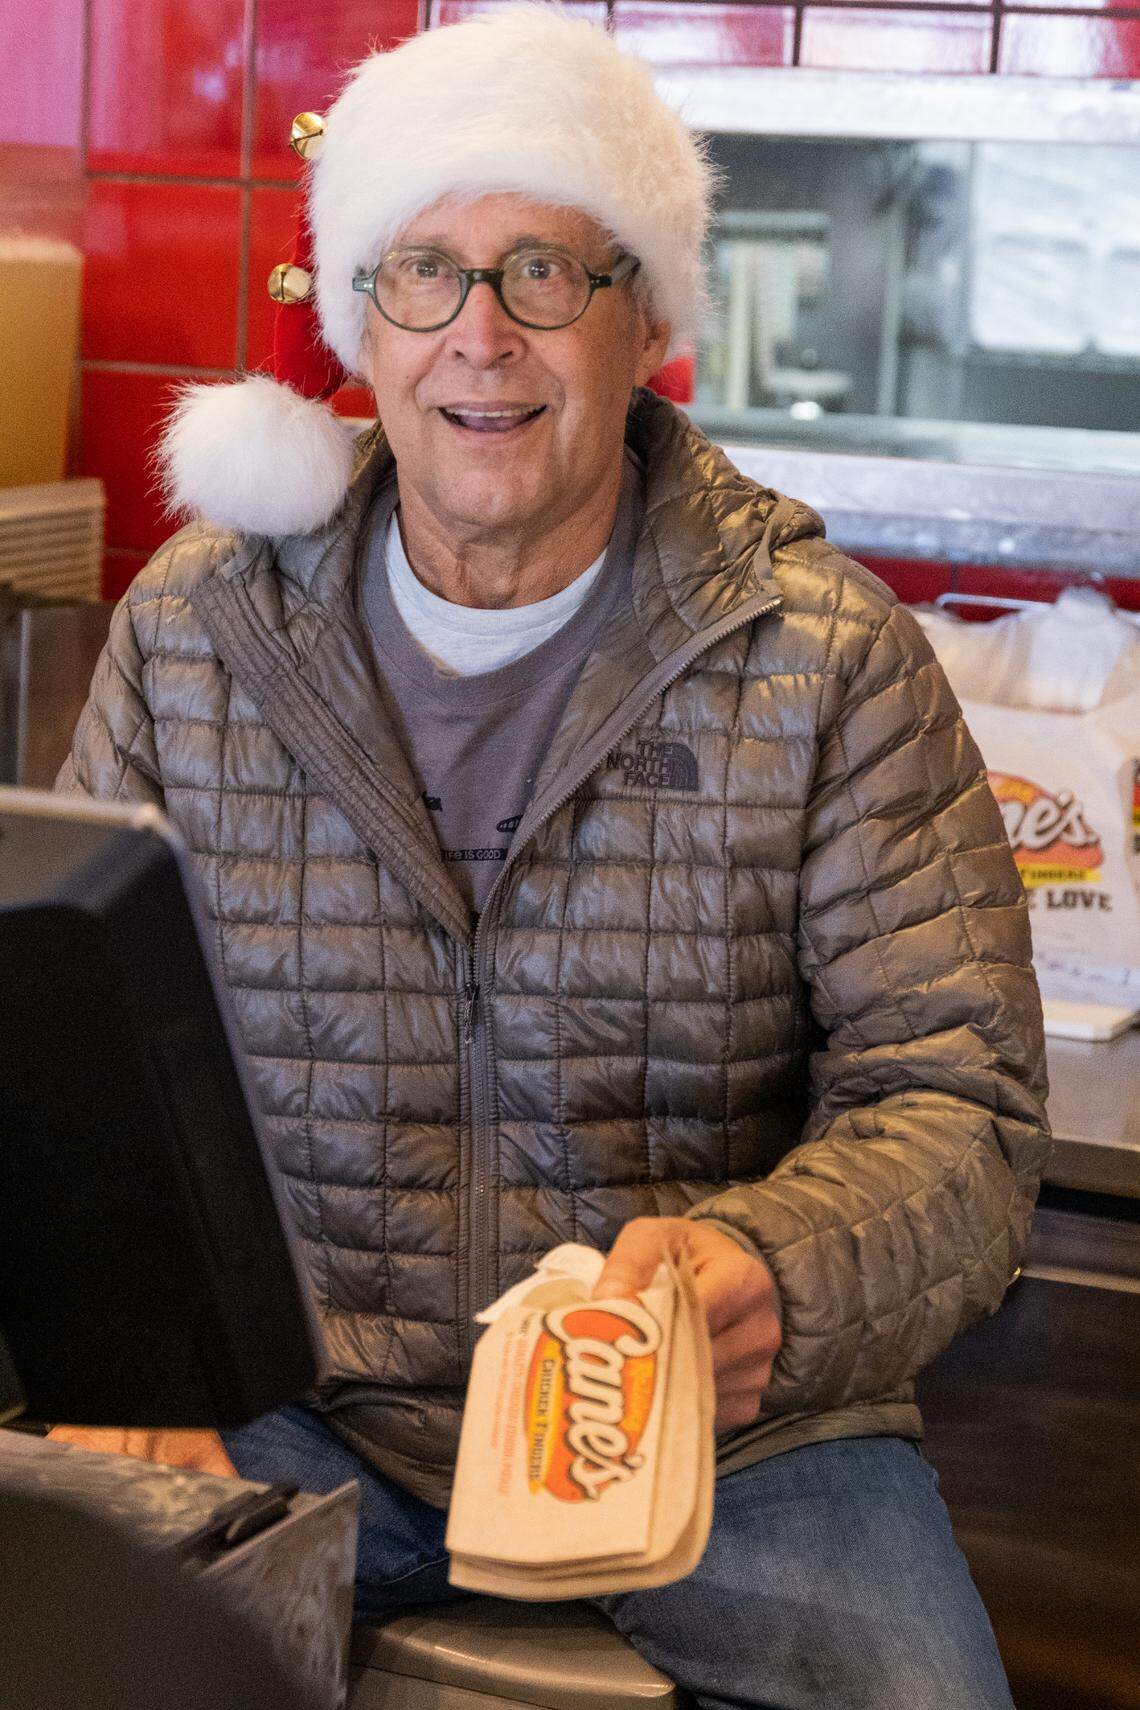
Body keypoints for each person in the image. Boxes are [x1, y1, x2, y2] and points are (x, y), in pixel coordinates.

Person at [54, 9, 1050, 1705]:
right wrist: (129, 1354)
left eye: (542, 272)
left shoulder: (822, 657)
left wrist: (777, 1273)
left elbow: (961, 1102)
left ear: (645, 319)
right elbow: (83, 1070)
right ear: (361, 320)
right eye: (424, 272)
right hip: (306, 1399)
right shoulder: (198, 631)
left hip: (724, 1440)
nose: (480, 336)